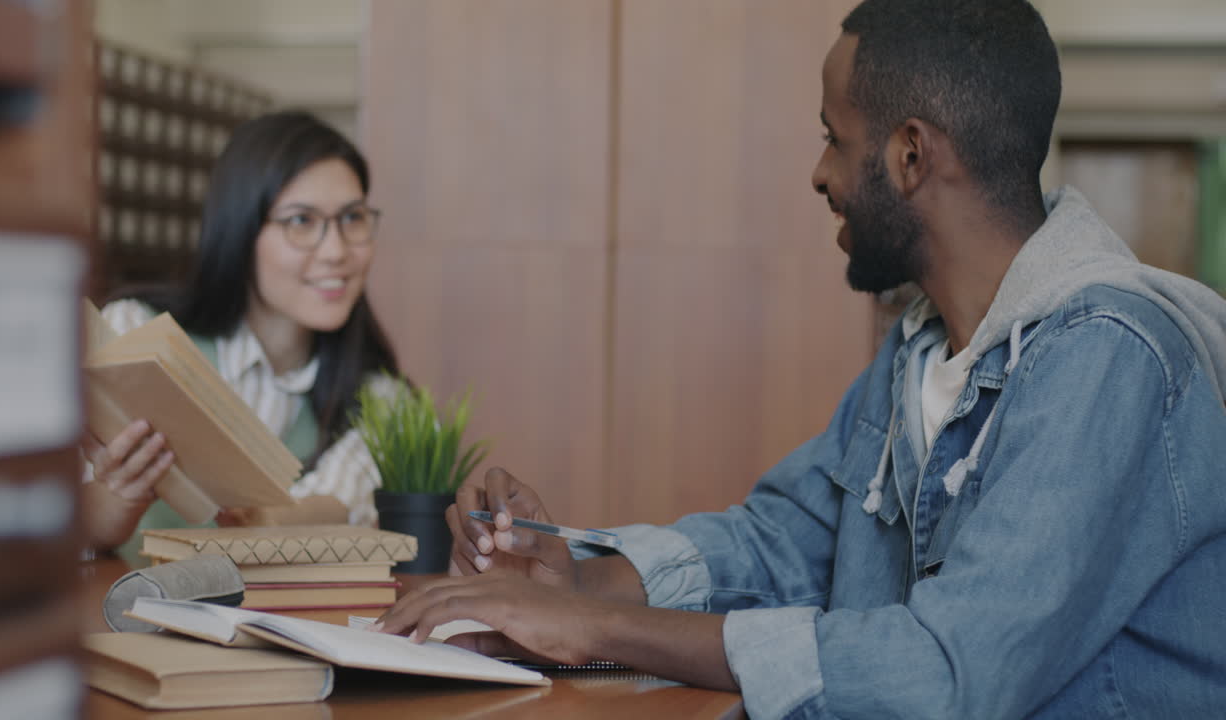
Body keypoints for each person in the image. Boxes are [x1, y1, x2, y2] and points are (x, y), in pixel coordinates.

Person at [374, 2, 1226, 718]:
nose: (820, 174)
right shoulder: (922, 354)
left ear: (911, 155)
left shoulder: (1113, 357)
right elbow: (785, 542)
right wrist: (575, 590)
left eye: (833, 137)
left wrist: (592, 631)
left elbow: (949, 672)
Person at [83, 111, 403, 561]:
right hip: (118, 623)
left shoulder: (379, 399)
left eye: (353, 218)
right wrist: (114, 502)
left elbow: (342, 503)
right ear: (241, 229)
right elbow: (49, 528)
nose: (336, 251)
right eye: (301, 221)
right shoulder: (137, 331)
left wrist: (269, 519)